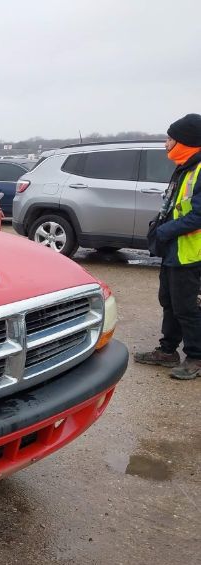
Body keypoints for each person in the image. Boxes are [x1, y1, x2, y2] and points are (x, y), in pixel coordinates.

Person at [134, 113, 201, 379]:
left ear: (185, 141)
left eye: (170, 138)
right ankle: (167, 350)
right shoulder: (185, 167)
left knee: (187, 307)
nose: (166, 143)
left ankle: (196, 357)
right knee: (169, 302)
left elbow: (197, 215)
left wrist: (165, 231)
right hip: (175, 251)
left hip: (190, 254)